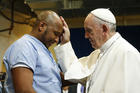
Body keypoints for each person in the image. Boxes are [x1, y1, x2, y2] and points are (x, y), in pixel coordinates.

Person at [54, 8, 140, 93]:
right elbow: (76, 72)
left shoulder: (127, 53)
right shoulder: (99, 53)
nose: (86, 36)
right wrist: (65, 42)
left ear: (104, 29)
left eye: (89, 31)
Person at [3, 10, 64, 93]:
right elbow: (24, 90)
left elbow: (54, 80)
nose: (57, 40)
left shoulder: (43, 50)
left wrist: (66, 43)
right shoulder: (25, 46)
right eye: (56, 34)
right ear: (42, 26)